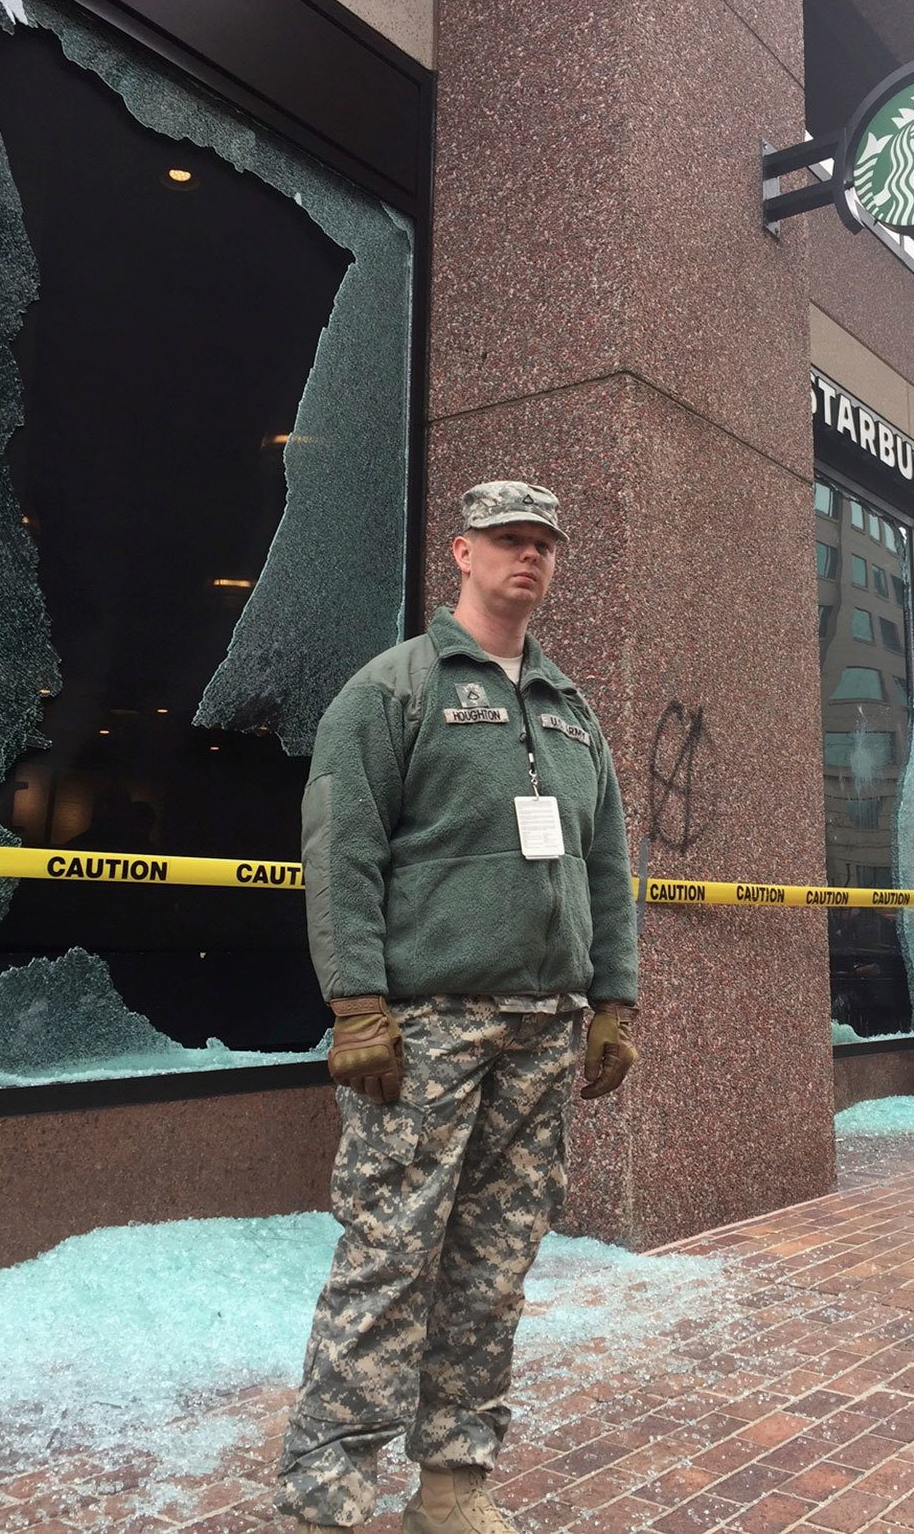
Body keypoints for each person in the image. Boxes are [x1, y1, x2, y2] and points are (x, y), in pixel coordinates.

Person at [277, 479, 640, 1533]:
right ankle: (326, 1498)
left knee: (493, 1262)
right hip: (425, 1029)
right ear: (460, 554)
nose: (527, 557)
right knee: (387, 1258)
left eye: (543, 543)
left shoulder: (571, 714)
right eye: (506, 540)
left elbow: (606, 865)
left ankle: (452, 1481)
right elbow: (339, 853)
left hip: (544, 1026)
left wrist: (612, 1002)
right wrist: (356, 1005)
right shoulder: (393, 691)